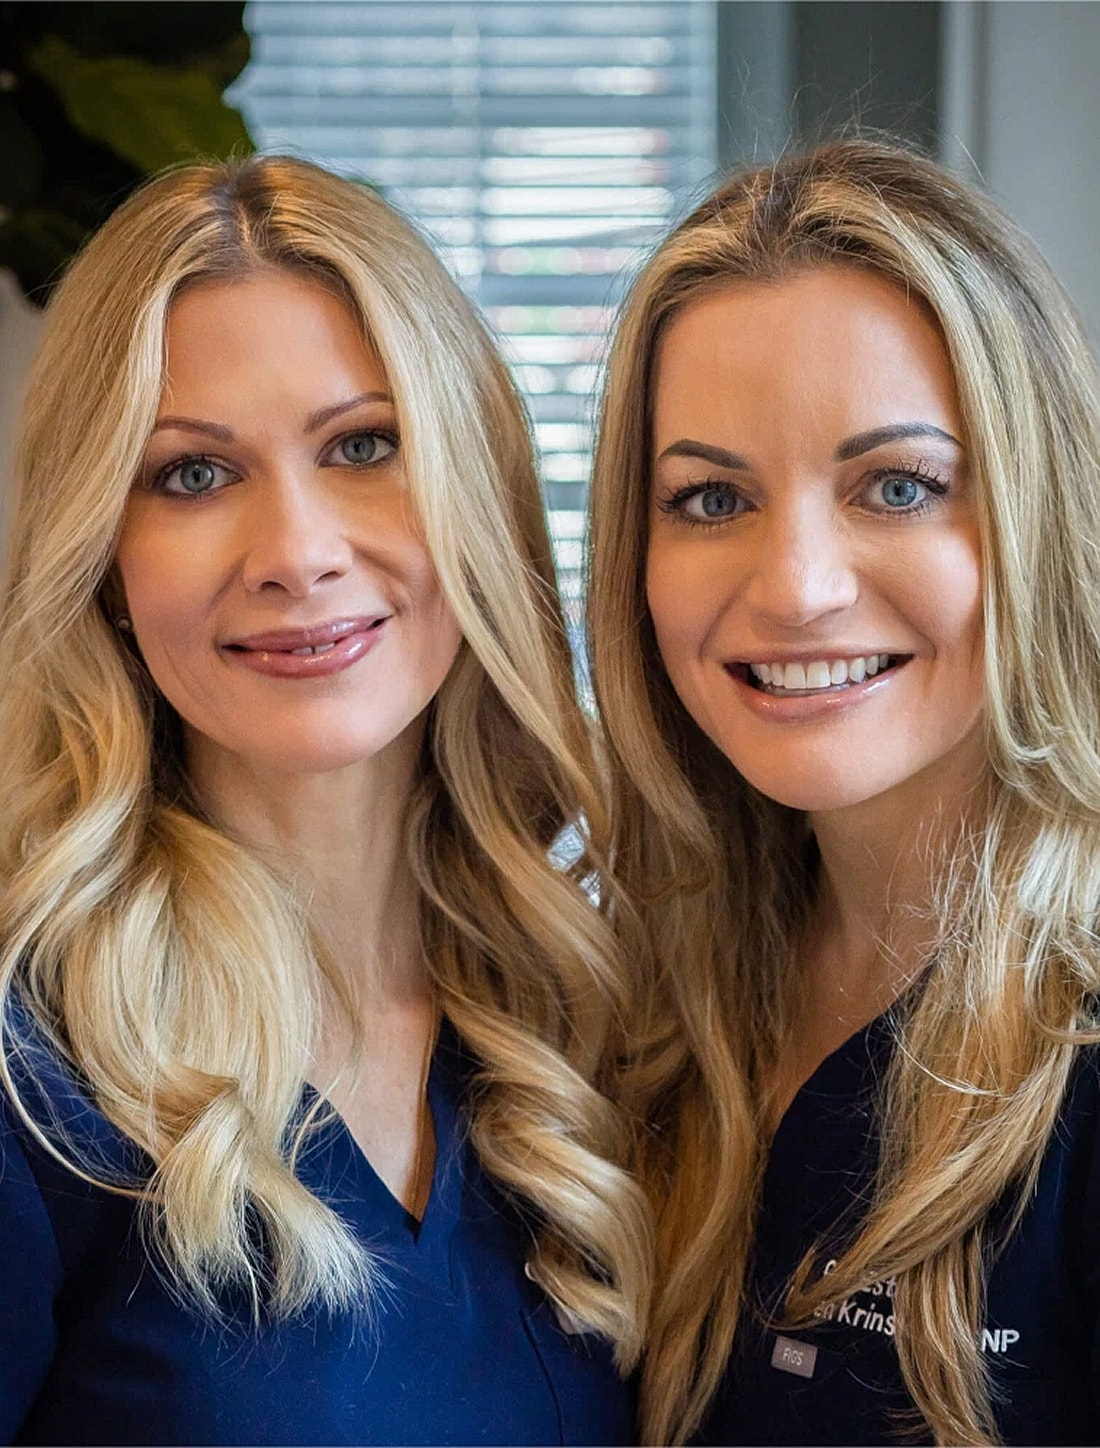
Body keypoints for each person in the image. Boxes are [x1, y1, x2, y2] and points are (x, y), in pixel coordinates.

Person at [0, 154, 650, 1446]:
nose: (298, 552)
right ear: (103, 557)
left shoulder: (588, 1011)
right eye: (193, 473)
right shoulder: (35, 1076)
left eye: (366, 446)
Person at [587, 137, 1100, 1447]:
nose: (799, 585)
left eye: (897, 486)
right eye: (710, 499)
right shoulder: (630, 1003)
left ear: (1035, 518)